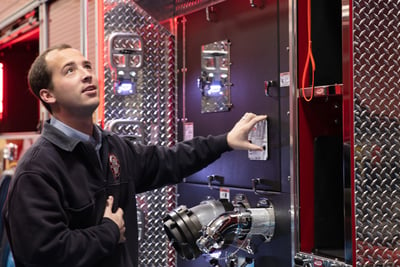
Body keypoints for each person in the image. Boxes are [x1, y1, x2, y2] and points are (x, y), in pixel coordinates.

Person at [2, 44, 267, 267]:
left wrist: (226, 141)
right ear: (48, 95)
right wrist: (107, 232)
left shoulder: (112, 148)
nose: (86, 75)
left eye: (87, 67)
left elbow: (169, 160)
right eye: (70, 71)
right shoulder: (37, 169)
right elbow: (40, 253)